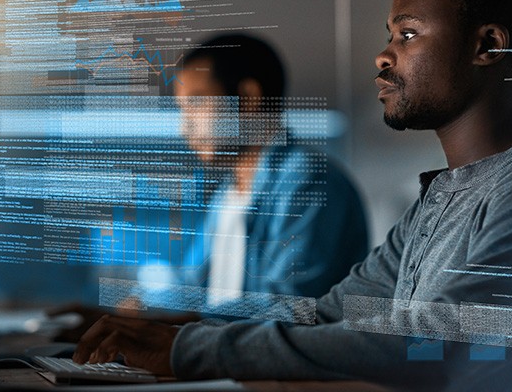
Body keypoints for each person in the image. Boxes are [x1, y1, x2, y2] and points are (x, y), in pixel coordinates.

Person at [73, 0, 512, 391]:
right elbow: (329, 312)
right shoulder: (446, 197)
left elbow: (432, 350)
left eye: (407, 34)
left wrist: (186, 348)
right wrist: (177, 326)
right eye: (390, 35)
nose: (383, 55)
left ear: (487, 47)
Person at [141, 34, 370, 309]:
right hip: (219, 349)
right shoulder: (229, 193)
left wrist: (185, 328)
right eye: (182, 109)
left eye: (196, 102)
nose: (184, 127)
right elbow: (193, 286)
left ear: (248, 98)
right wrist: (143, 313)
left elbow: (287, 306)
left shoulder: (309, 181)